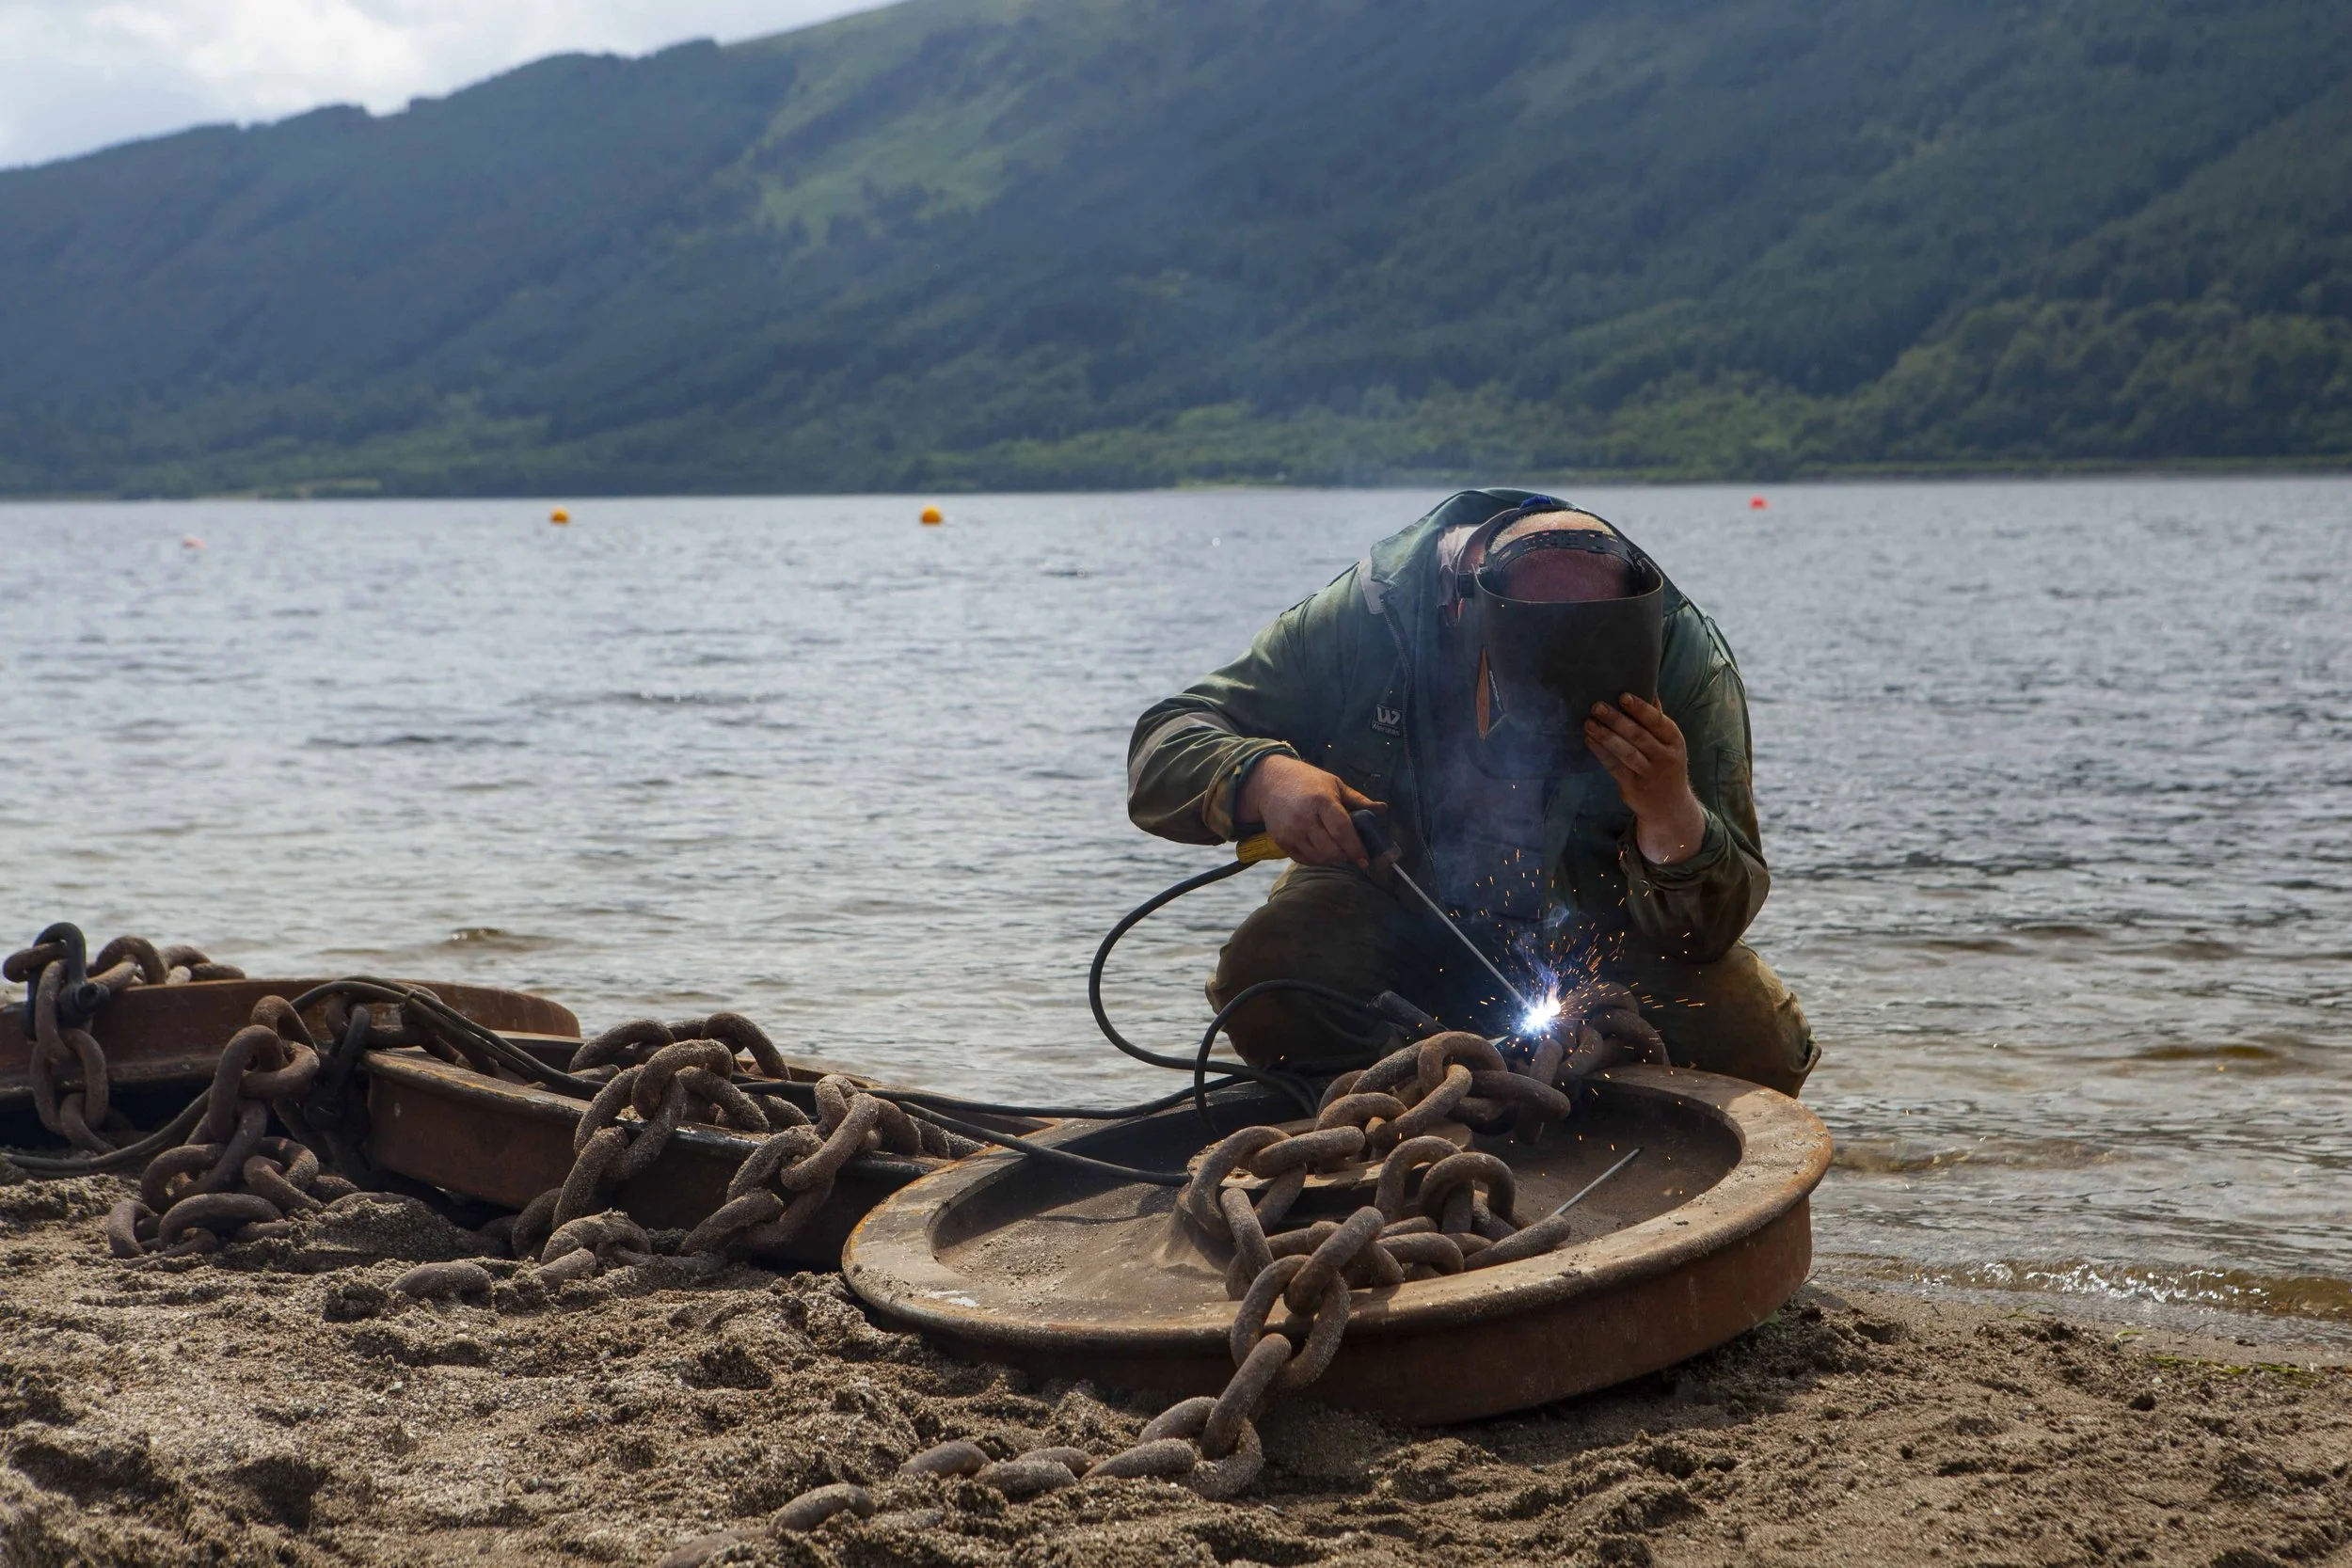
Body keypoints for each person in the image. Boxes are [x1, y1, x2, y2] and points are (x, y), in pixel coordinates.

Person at [1125, 488, 1816, 1096]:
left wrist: (1669, 813)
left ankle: (1587, 1104)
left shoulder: (1683, 657)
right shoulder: (1371, 619)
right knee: (1270, 972)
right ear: (1463, 612)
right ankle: (1405, 1104)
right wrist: (1265, 777)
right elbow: (1165, 739)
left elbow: (1712, 930)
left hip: (1598, 946)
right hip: (1400, 918)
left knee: (1754, 1036)